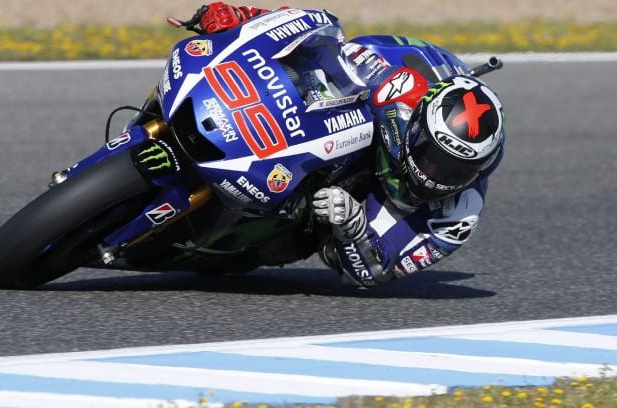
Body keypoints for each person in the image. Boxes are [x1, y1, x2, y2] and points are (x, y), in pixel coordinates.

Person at [186, 2, 506, 288]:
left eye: (455, 170)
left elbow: (378, 271)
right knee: (298, 80)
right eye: (431, 156)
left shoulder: (458, 216)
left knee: (282, 248)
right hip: (373, 101)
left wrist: (353, 228)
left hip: (355, 205)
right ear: (418, 125)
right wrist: (242, 20)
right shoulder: (390, 81)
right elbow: (311, 41)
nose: (434, 173)